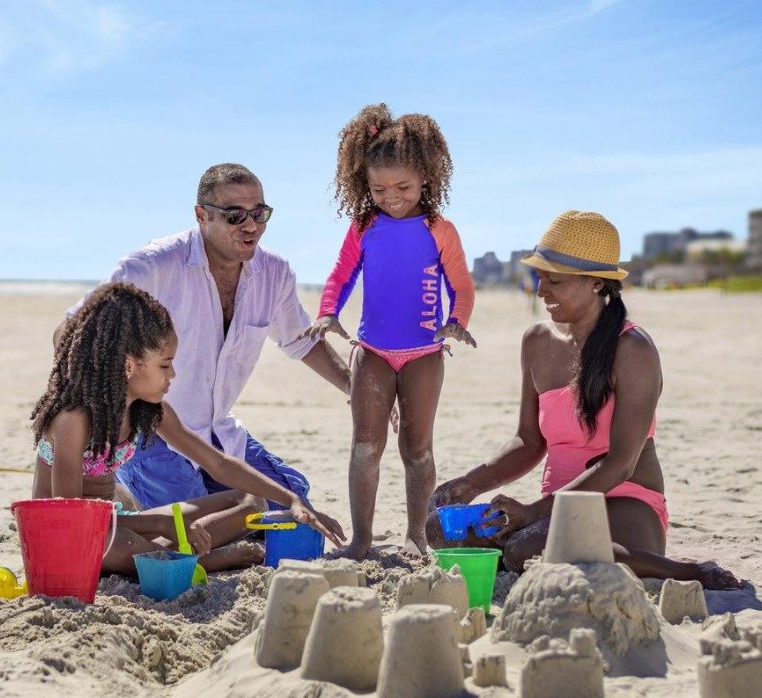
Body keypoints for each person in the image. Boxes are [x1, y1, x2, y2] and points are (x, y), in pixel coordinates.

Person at [430, 210, 741, 589]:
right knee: (442, 530)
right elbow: (529, 441)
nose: (541, 290)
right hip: (551, 513)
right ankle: (541, 543)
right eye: (540, 277)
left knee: (524, 548)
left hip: (625, 503)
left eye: (554, 281)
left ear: (596, 282)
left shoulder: (633, 349)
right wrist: (470, 483)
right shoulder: (536, 342)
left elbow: (621, 464)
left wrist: (530, 513)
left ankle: (687, 571)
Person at [57, 163, 351, 511]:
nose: (251, 226)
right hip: (146, 430)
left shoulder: (275, 273)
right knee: (192, 518)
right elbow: (73, 330)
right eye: (234, 216)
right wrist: (104, 410)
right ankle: (129, 490)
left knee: (291, 506)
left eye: (260, 213)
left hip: (215, 433)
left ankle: (177, 497)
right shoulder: (152, 265)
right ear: (202, 215)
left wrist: (357, 390)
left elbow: (302, 341)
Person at [33, 281, 346, 574]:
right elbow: (70, 517)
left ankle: (170, 558)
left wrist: (293, 500)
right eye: (165, 365)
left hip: (118, 523)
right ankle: (198, 560)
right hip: (70, 535)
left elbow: (219, 463)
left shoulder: (149, 411)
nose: (173, 375)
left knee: (250, 502)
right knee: (118, 544)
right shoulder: (73, 419)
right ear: (129, 365)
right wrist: (158, 525)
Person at [298, 105, 475, 560]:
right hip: (372, 351)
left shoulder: (440, 229)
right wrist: (326, 312)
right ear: (364, 185)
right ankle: (361, 540)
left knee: (416, 449)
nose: (391, 197)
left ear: (426, 180)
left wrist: (457, 321)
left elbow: (461, 284)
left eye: (403, 187)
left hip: (424, 355)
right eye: (379, 188)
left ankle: (416, 535)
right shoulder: (364, 226)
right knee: (365, 445)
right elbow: (340, 276)